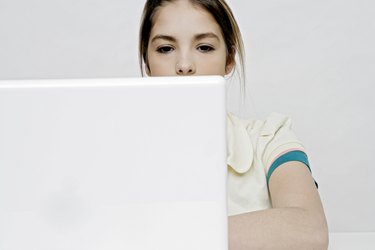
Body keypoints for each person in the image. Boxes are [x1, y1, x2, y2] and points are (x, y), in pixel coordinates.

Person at [138, 0, 329, 249]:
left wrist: (164, 236)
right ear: (147, 63)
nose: (184, 66)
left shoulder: (270, 138)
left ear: (229, 59)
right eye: (165, 49)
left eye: (204, 47)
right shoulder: (122, 151)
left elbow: (310, 232)